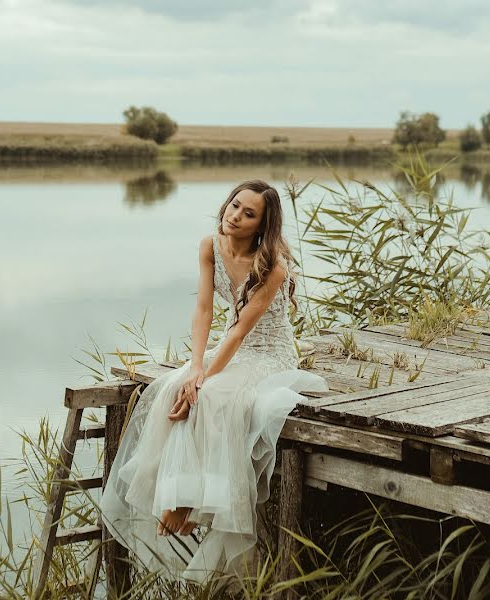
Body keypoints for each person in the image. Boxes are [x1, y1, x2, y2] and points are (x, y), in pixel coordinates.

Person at [99, 179, 329, 584]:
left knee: (214, 396)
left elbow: (241, 331)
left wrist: (205, 378)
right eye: (234, 205)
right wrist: (195, 368)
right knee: (174, 388)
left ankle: (188, 505)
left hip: (268, 353)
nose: (235, 216)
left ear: (263, 225)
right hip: (228, 347)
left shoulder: (273, 266)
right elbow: (204, 310)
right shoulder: (210, 246)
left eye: (248, 213)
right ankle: (178, 496)